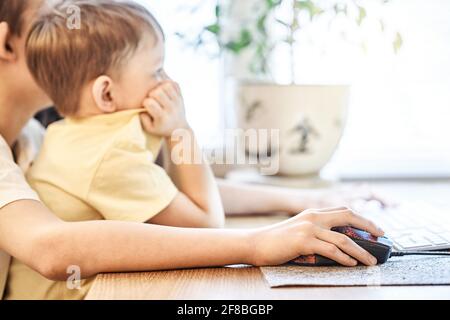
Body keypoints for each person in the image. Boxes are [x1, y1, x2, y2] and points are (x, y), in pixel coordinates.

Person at [0, 0, 383, 300]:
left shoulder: (43, 135)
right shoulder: (103, 149)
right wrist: (257, 243)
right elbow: (204, 220)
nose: (65, 25)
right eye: (157, 72)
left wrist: (301, 200)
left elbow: (165, 193)